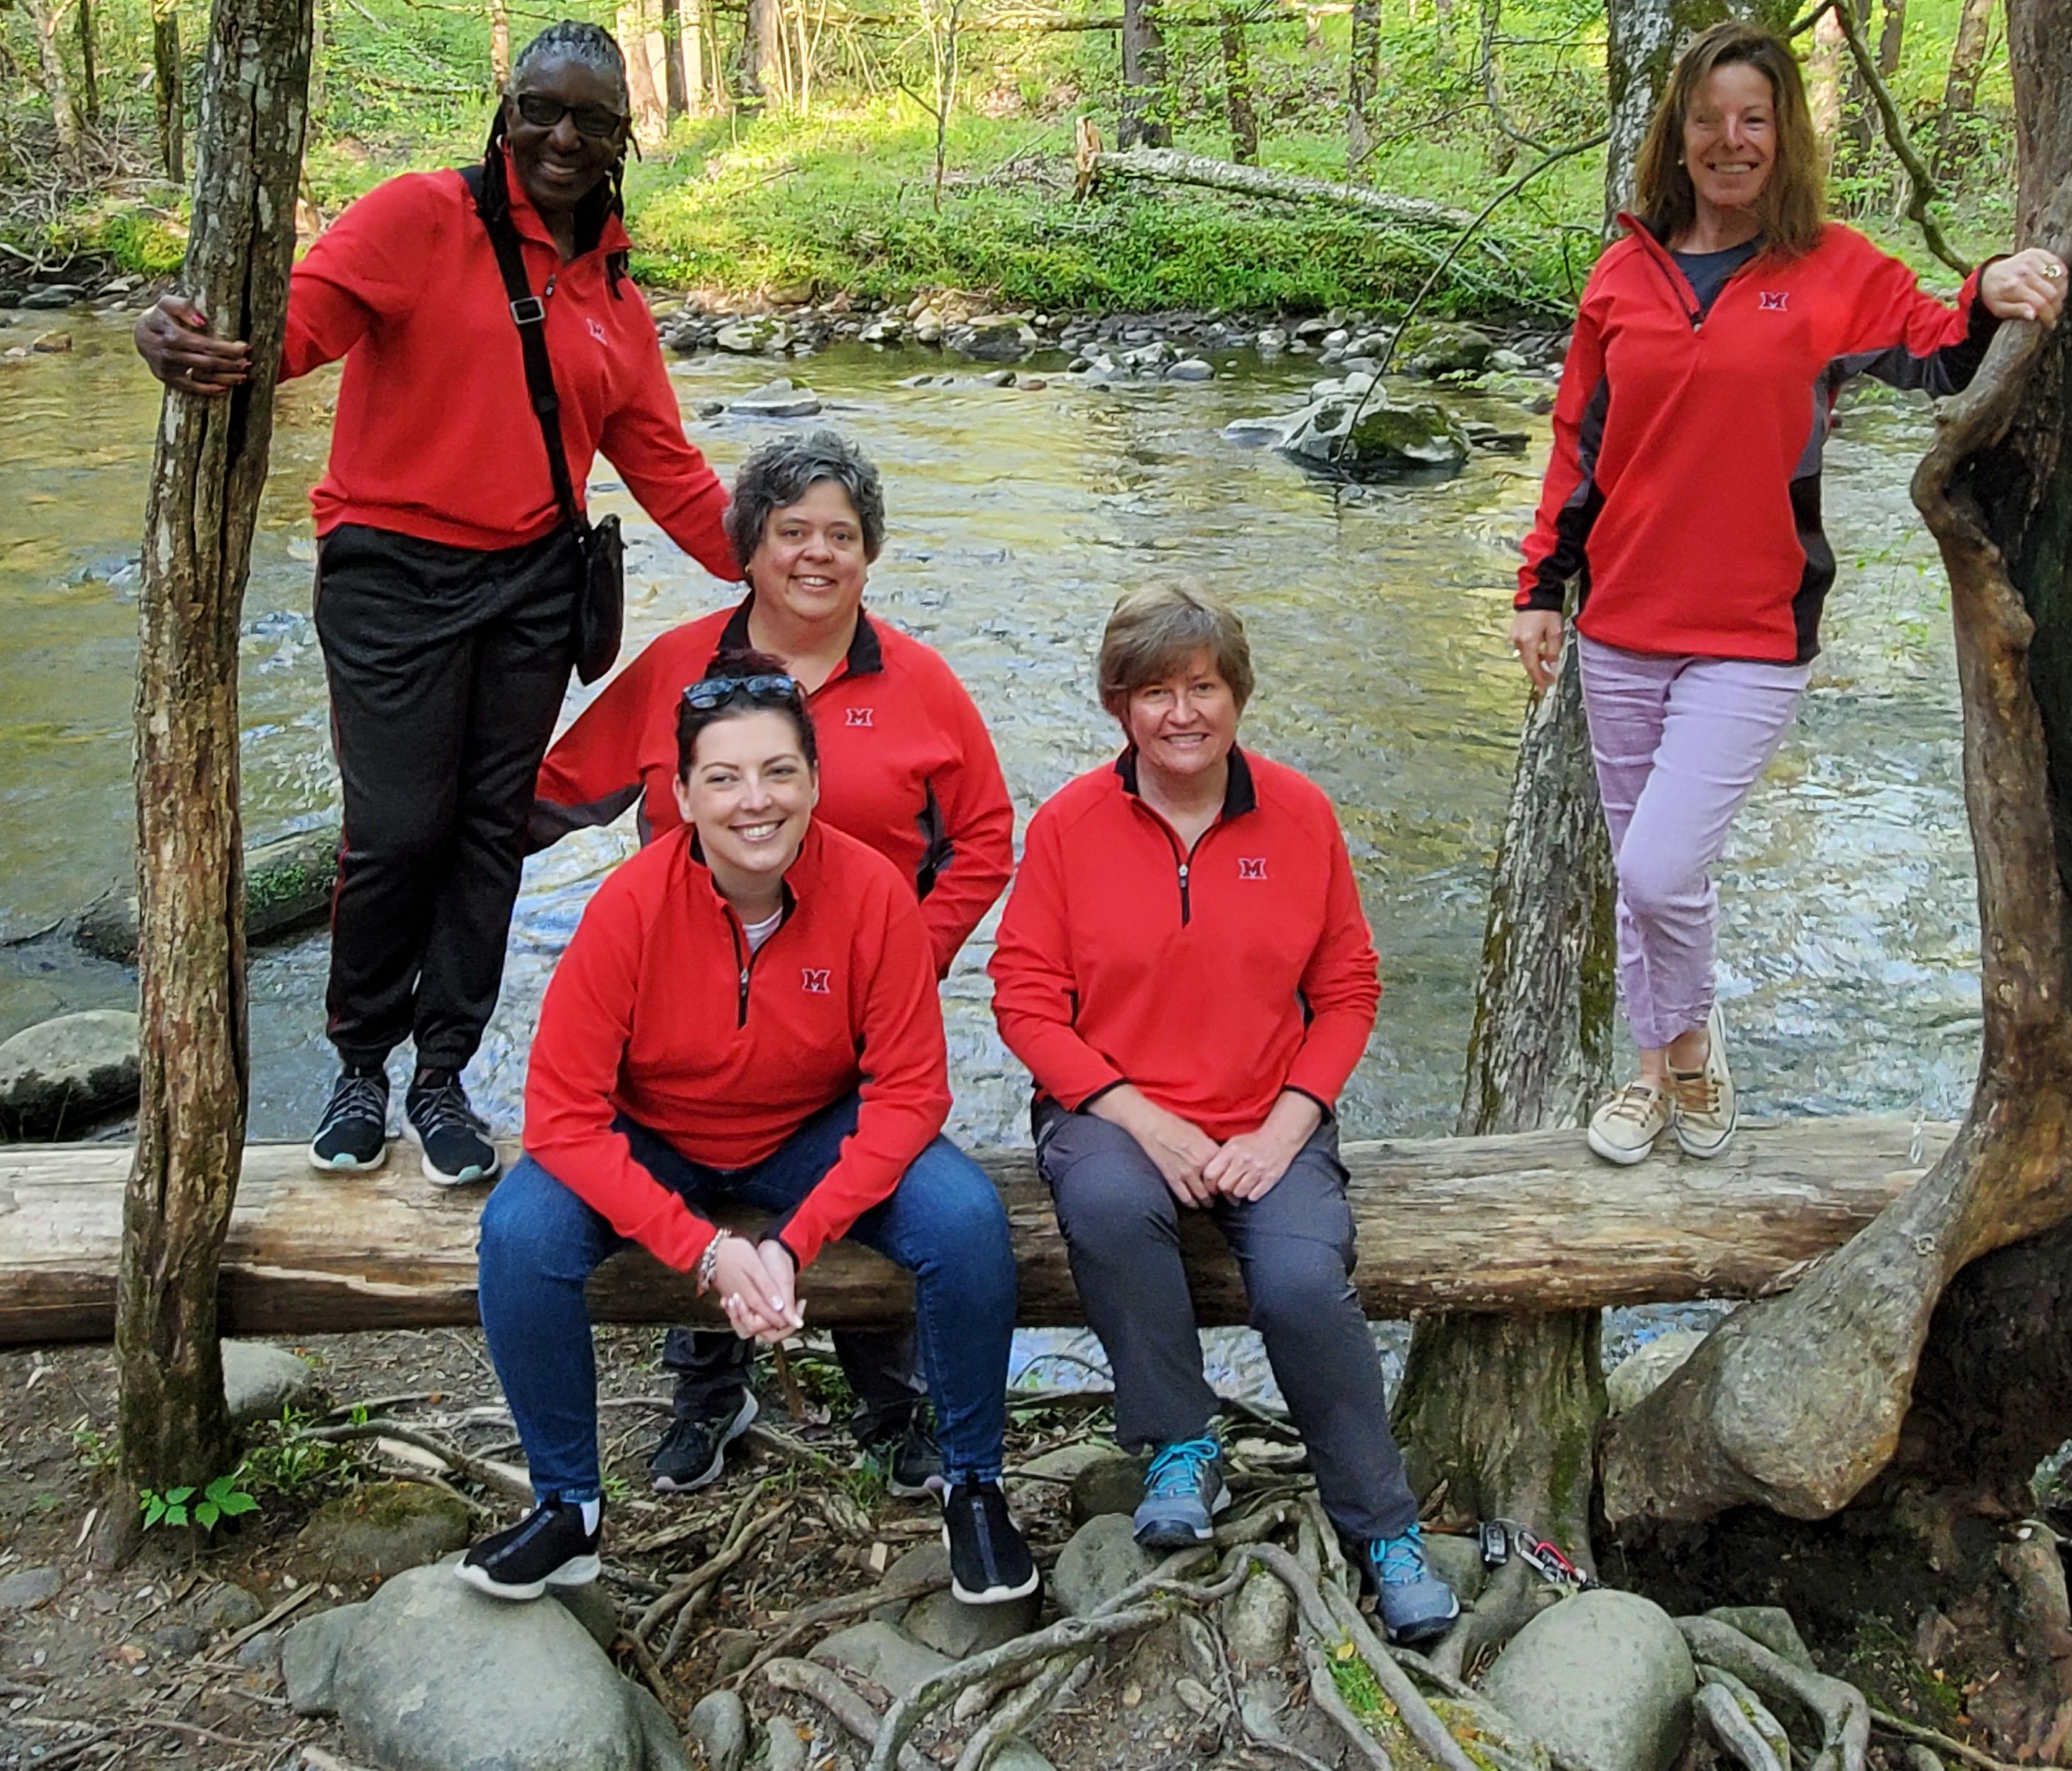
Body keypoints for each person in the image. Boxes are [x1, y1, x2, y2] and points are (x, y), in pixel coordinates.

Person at [134, 21, 743, 1188]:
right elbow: (290, 328)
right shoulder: (421, 215)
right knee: (400, 828)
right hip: (392, 577)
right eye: (540, 109)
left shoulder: (613, 290)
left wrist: (779, 565)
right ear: (506, 112)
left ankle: (443, 1074)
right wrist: (183, 337)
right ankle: (362, 1064)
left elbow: (665, 465)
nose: (562, 137)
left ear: (622, 138)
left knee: (488, 834)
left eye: (592, 120)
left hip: (533, 589)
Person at [1510, 19, 2069, 1166]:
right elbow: (1578, 446)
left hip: (1756, 630)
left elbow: (1937, 350)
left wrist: (1990, 289)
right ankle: (1656, 1071)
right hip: (1621, 626)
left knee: (1661, 865)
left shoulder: (1832, 269)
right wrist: (1541, 588)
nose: (1731, 140)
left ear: (1784, 134)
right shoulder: (1623, 275)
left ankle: (1691, 1053)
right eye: (1709, 119)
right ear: (1679, 135)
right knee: (1643, 873)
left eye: (1753, 119)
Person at [464, 658, 1040, 1608]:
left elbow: (909, 1096)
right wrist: (706, 1251)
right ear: (684, 796)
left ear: (815, 781)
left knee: (967, 1218)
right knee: (520, 1234)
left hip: (813, 1129)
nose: (755, 801)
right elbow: (562, 1118)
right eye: (724, 778)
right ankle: (568, 1509)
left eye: (779, 772)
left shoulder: (873, 895)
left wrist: (791, 1244)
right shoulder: (628, 910)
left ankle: (974, 1486)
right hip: (655, 1134)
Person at [533, 429, 1015, 1498]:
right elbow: (558, 793)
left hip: (849, 1023)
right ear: (748, 548)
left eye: (841, 534)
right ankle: (710, 1393)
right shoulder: (677, 667)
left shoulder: (922, 684)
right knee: (686, 1156)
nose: (816, 555)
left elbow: (984, 839)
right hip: (686, 1024)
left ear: (869, 552)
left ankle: (890, 1411)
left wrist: (909, 957)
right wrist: (432, 847)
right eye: (792, 532)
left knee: (880, 1180)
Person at [988, 580, 1460, 1648]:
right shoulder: (1069, 826)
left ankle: (1385, 1531)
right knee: (1110, 1206)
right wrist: (1143, 1120)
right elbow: (1024, 1000)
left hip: (1268, 1117)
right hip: (1110, 1113)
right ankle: (1181, 1445)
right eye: (1153, 692)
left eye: (1201, 687)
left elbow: (1348, 989)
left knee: (1300, 1285)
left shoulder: (1299, 816)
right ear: (1119, 705)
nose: (1181, 713)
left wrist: (1285, 1126)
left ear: (1236, 695)